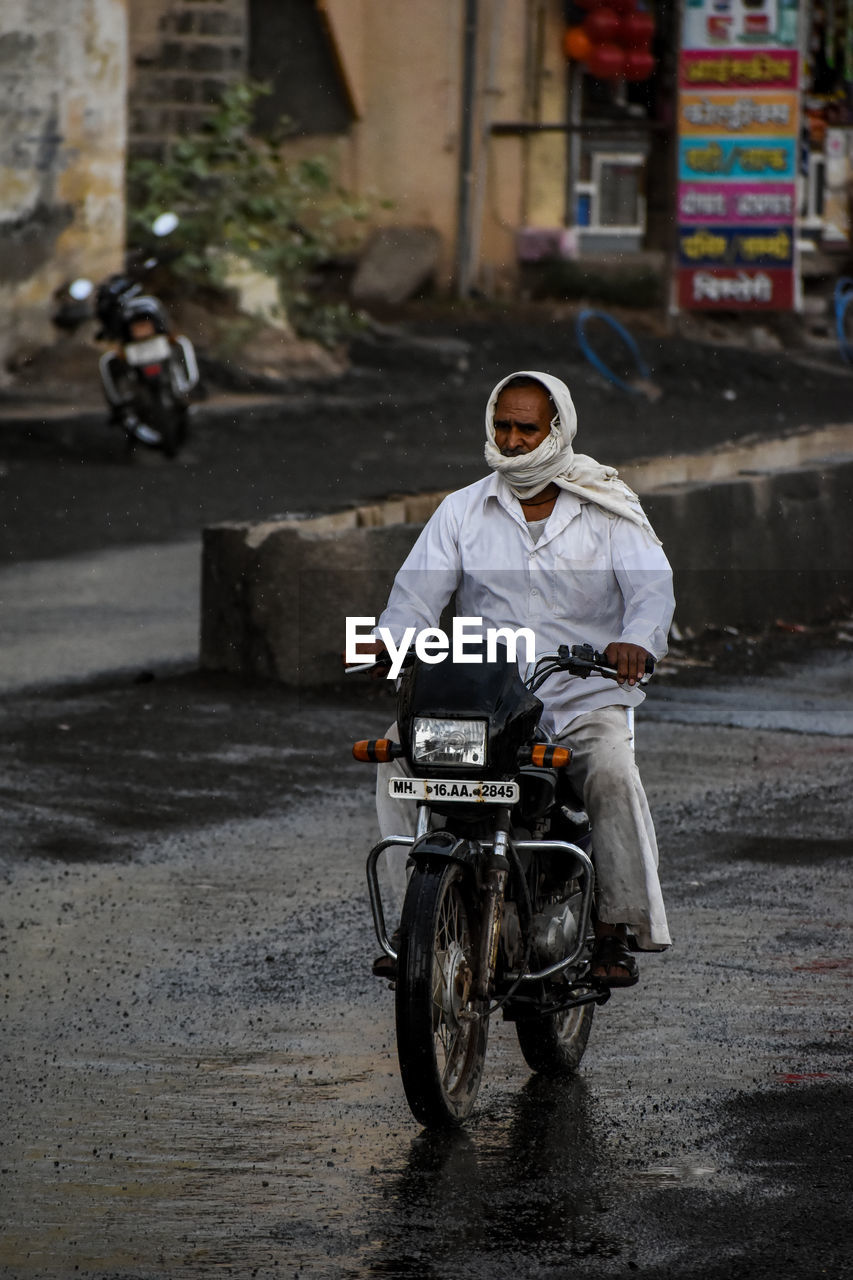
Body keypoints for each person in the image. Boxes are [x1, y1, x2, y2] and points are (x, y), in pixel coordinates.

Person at [361, 370, 675, 987]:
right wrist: (391, 637)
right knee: (398, 759)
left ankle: (615, 928)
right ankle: (415, 924)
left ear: (556, 430)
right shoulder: (462, 510)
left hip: (581, 697)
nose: (510, 439)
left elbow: (651, 590)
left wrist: (636, 642)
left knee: (611, 770)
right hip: (488, 703)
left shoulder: (607, 509)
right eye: (501, 426)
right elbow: (415, 601)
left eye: (525, 428)